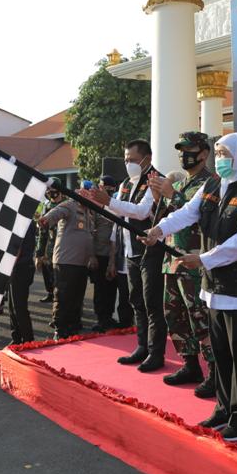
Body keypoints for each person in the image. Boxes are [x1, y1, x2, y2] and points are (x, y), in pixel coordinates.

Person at [143, 133, 237, 442]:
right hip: (215, 288)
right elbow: (187, 213)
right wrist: (159, 230)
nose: (219, 158)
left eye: (225, 152)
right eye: (217, 152)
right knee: (221, 354)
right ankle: (223, 409)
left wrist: (203, 259)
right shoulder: (213, 185)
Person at [81, 139, 168, 371]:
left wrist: (108, 201)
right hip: (129, 252)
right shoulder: (125, 184)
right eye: (126, 159)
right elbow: (117, 215)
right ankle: (142, 346)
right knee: (136, 301)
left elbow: (141, 213)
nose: (128, 163)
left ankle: (156, 352)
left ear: (147, 159)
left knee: (152, 304)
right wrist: (99, 203)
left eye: (132, 159)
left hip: (150, 251)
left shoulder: (156, 181)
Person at [148, 132, 216, 394]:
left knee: (199, 315)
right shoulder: (184, 183)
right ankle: (190, 364)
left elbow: (200, 217)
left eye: (189, 149)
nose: (183, 154)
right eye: (180, 149)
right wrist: (160, 198)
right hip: (172, 258)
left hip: (194, 259)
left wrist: (172, 195)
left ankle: (214, 372)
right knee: (173, 314)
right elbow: (170, 217)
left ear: (204, 153)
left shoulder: (211, 183)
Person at [38, 194, 97, 339]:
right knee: (63, 296)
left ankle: (73, 325)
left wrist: (92, 256)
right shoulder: (70, 205)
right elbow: (56, 213)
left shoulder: (90, 211)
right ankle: (59, 327)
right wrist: (46, 219)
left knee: (77, 296)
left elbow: (89, 236)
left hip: (82, 262)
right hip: (65, 260)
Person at [90, 175, 120, 332]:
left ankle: (108, 318)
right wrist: (92, 255)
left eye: (109, 189)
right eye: (103, 188)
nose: (106, 192)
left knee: (111, 288)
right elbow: (90, 233)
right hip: (99, 254)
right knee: (100, 289)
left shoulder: (117, 205)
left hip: (114, 255)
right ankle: (101, 319)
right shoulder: (94, 207)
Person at [7, 219, 38, 344]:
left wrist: (8, 268)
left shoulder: (22, 220)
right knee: (12, 307)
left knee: (18, 307)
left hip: (21, 267)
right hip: (20, 267)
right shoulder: (23, 219)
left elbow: (17, 248)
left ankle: (27, 340)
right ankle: (17, 339)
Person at [36, 187, 65, 303]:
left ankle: (61, 297)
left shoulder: (66, 205)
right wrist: (39, 253)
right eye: (48, 190)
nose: (50, 192)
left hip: (63, 245)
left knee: (61, 275)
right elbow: (42, 231)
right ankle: (50, 293)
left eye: (52, 189)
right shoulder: (47, 207)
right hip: (50, 244)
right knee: (47, 271)